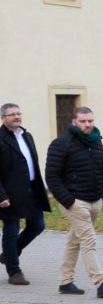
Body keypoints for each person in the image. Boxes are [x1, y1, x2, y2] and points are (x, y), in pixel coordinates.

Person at [44, 107, 103, 298]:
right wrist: (69, 201)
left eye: (90, 121)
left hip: (95, 200)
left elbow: (101, 170)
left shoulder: (96, 141)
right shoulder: (60, 144)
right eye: (83, 121)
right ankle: (101, 283)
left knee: (75, 241)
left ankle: (65, 282)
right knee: (88, 239)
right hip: (75, 202)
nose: (87, 125)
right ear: (74, 122)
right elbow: (52, 176)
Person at [0, 103, 51, 286]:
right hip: (10, 193)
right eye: (12, 114)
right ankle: (14, 272)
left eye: (18, 113)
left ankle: (9, 254)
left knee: (37, 225)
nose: (16, 117)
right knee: (11, 231)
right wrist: (1, 196)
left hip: (31, 190)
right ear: (3, 118)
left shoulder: (27, 136)